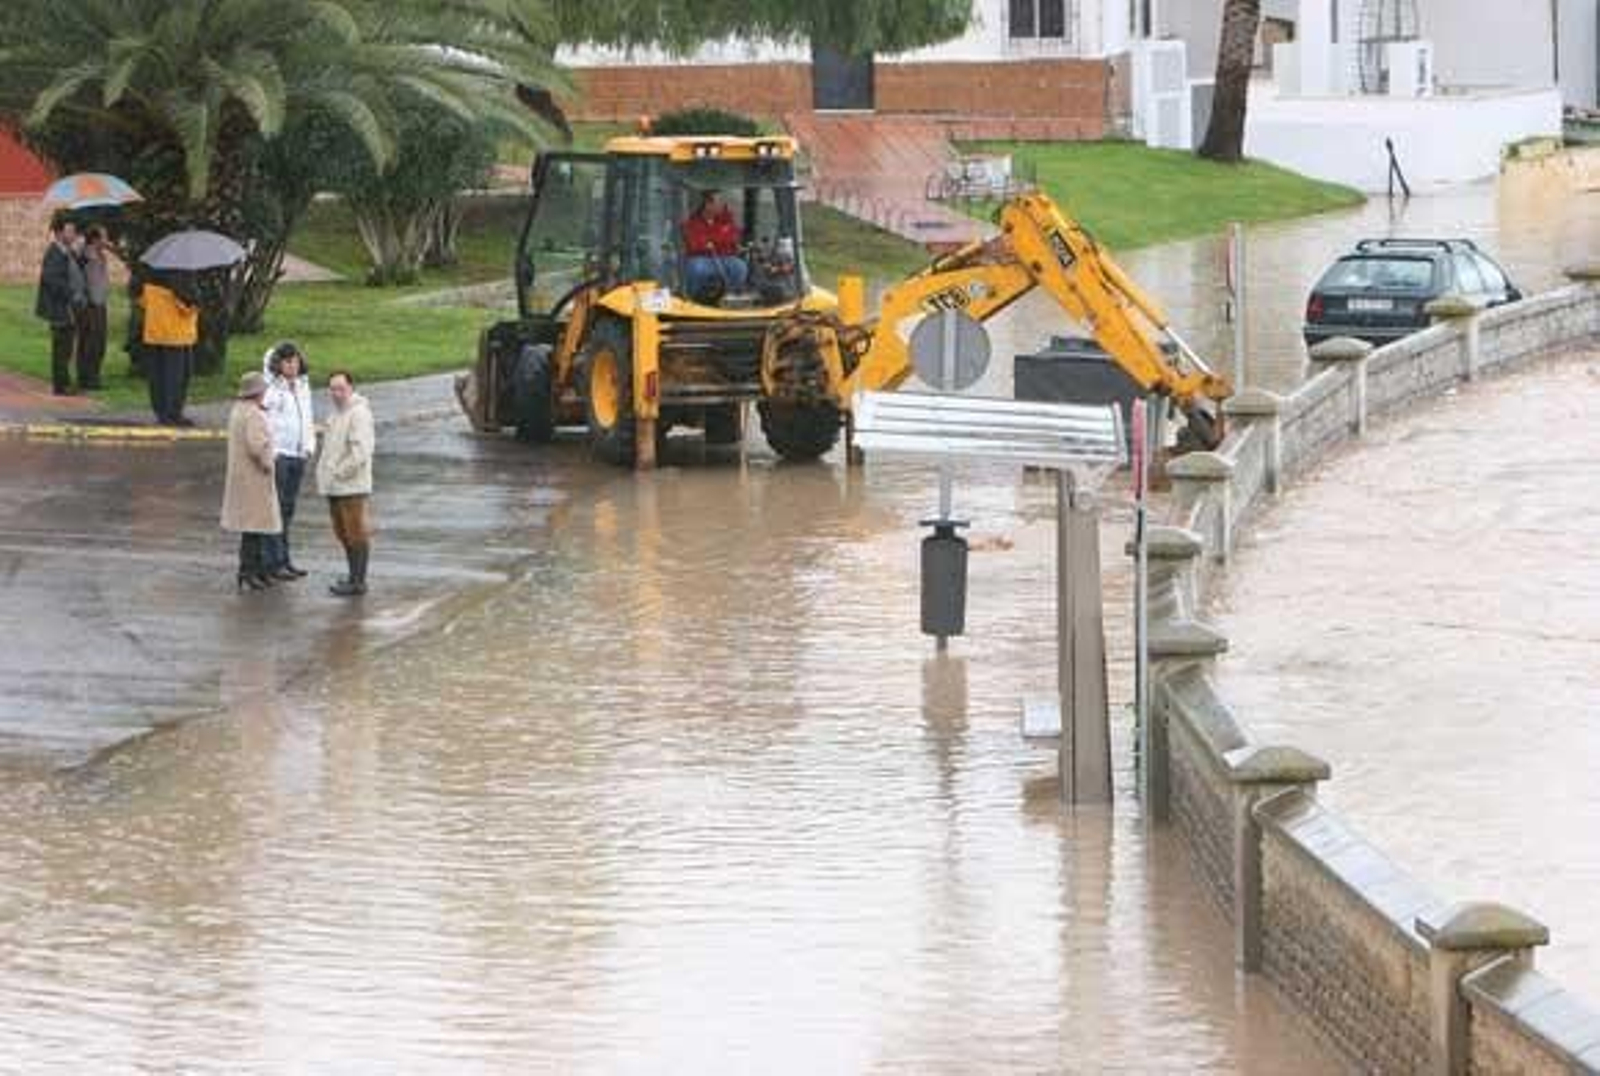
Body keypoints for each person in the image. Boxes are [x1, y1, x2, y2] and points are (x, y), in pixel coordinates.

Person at [221, 372, 283, 592]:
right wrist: (268, 463)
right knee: (255, 529)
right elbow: (257, 446)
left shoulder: (237, 411)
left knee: (251, 529)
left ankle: (251, 571)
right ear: (258, 392)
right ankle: (250, 571)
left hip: (241, 478)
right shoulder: (254, 414)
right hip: (255, 478)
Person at [261, 341, 316, 581]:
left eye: (294, 360)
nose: (292, 366)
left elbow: (308, 417)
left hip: (298, 455)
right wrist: (272, 452)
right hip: (280, 456)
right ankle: (273, 562)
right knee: (276, 511)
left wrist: (309, 446)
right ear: (278, 364)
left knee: (288, 510)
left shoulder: (303, 385)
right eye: (286, 361)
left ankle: (285, 560)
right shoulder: (271, 389)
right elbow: (265, 422)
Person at [317, 370, 375, 597]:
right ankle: (353, 577)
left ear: (351, 388)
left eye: (341, 388)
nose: (336, 393)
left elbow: (361, 452)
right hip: (335, 486)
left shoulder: (358, 413)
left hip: (351, 486)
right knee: (343, 533)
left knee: (355, 532)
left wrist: (340, 473)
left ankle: (358, 582)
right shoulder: (336, 414)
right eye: (332, 389)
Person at [138, 271, 200, 426]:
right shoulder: (182, 276)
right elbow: (188, 305)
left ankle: (161, 413)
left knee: (158, 375)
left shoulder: (148, 275)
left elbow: (141, 301)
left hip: (154, 333)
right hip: (177, 335)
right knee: (178, 377)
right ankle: (173, 414)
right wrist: (198, 301)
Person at [33, 218, 83, 396]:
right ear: (60, 233)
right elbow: (52, 280)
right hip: (60, 308)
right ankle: (61, 386)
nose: (74, 234)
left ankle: (63, 383)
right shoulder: (54, 252)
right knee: (62, 348)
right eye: (70, 231)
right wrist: (70, 294)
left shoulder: (65, 251)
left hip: (66, 307)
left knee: (66, 347)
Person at [682, 190, 748, 301]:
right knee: (696, 267)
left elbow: (733, 238)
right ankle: (694, 297)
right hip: (702, 259)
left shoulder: (727, 219)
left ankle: (728, 295)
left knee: (740, 266)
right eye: (719, 202)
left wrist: (712, 241)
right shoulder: (692, 222)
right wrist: (718, 240)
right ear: (708, 204)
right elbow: (695, 245)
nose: (723, 205)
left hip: (725, 257)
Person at [77, 227, 113, 391]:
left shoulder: (99, 255)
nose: (107, 240)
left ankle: (90, 377)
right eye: (105, 237)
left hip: (99, 303)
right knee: (92, 343)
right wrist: (96, 302)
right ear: (95, 239)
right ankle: (88, 379)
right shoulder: (88, 256)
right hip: (92, 306)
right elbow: (91, 283)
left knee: (97, 343)